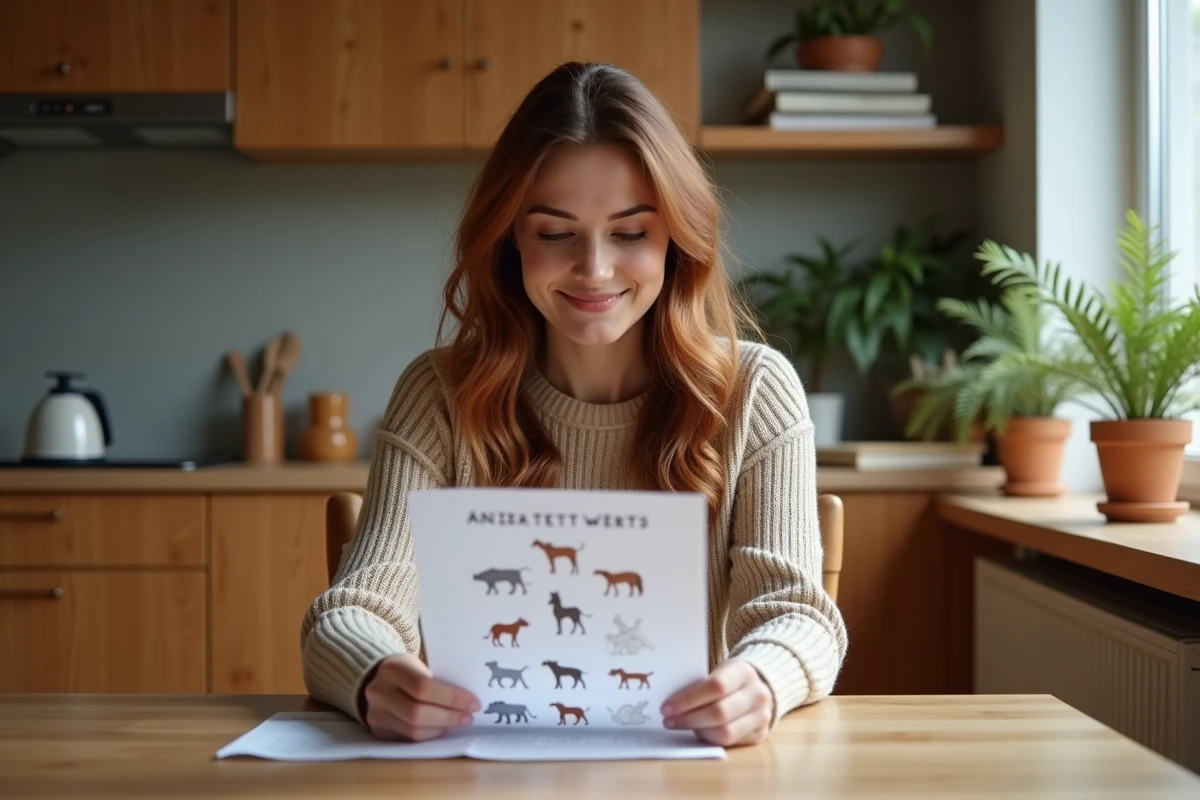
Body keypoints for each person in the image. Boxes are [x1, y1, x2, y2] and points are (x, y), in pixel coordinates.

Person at [300, 61, 848, 748]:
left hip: (683, 772)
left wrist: (763, 682)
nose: (594, 269)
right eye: (555, 233)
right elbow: (352, 610)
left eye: (630, 232)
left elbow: (796, 612)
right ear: (510, 242)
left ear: (677, 239)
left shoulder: (755, 391)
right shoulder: (441, 393)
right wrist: (373, 674)